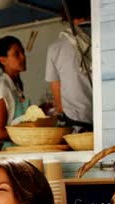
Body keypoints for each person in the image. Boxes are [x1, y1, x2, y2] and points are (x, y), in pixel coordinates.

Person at [45, 0, 93, 132]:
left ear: (66, 15)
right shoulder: (107, 37)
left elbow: (59, 105)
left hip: (78, 132)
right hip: (112, 124)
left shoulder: (55, 48)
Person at [0, 36, 30, 142]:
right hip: (6, 153)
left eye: (22, 52)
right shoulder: (1, 88)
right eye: (16, 54)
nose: (23, 57)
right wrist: (29, 134)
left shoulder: (16, 86)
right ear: (3, 60)